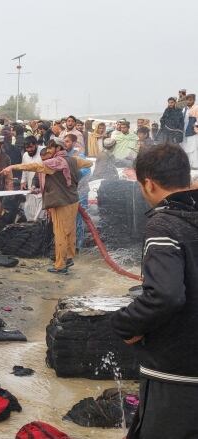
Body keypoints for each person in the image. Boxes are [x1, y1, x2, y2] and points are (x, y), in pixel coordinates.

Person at [110, 143, 198, 439]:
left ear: (148, 183)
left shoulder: (164, 224)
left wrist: (125, 323)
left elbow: (165, 295)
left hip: (176, 374)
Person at [2, 140, 93, 273]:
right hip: (73, 201)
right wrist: (77, 157)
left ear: (58, 148)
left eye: (51, 148)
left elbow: (34, 166)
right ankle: (68, 258)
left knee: (60, 233)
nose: (49, 150)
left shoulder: (55, 162)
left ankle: (60, 265)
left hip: (61, 202)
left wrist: (12, 167)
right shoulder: (73, 160)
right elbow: (89, 163)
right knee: (69, 231)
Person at [21, 136, 45, 221]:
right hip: (31, 188)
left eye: (31, 147)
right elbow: (24, 168)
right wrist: (23, 181)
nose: (29, 150)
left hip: (42, 189)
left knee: (40, 214)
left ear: (36, 145)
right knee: (30, 212)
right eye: (27, 148)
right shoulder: (25, 155)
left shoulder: (43, 152)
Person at [181, 94, 198, 169]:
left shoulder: (196, 108)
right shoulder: (184, 109)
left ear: (194, 100)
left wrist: (194, 127)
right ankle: (188, 165)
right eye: (187, 100)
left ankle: (195, 166)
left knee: (193, 149)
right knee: (185, 148)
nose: (188, 101)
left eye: (190, 100)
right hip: (184, 132)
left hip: (193, 132)